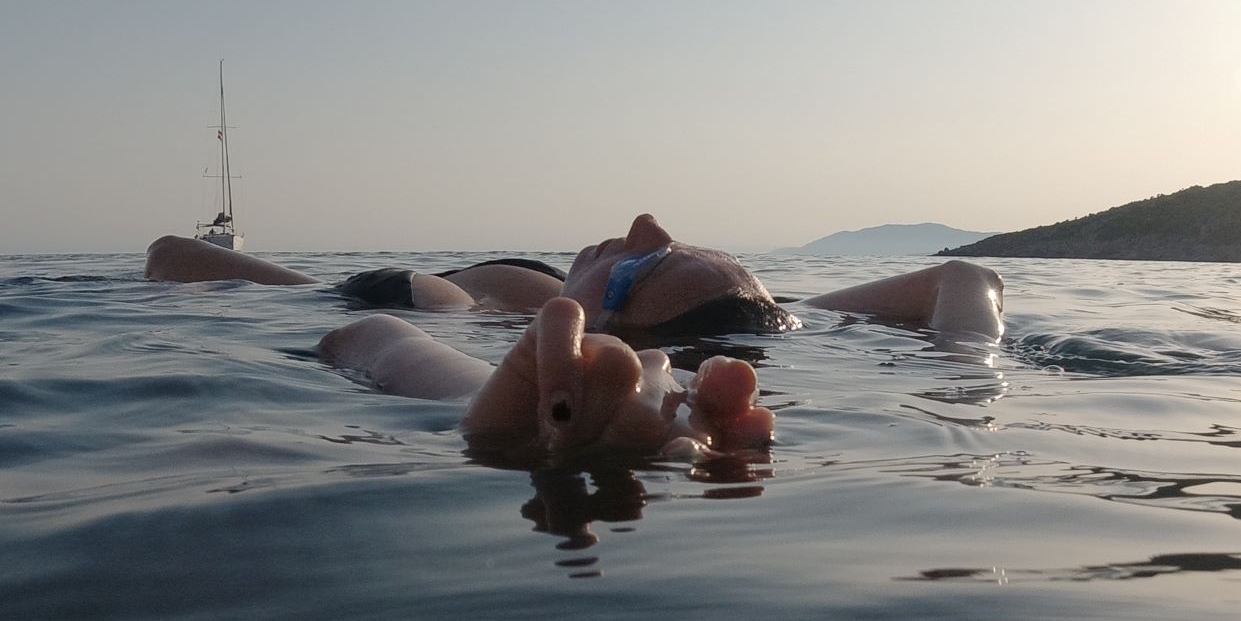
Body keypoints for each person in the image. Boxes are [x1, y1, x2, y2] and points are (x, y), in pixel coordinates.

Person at [148, 214, 1006, 461]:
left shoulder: (457, 305)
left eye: (642, 264)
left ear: (608, 322)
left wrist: (506, 401)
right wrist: (971, 372)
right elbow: (964, 280)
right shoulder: (774, 315)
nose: (639, 225)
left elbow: (173, 257)